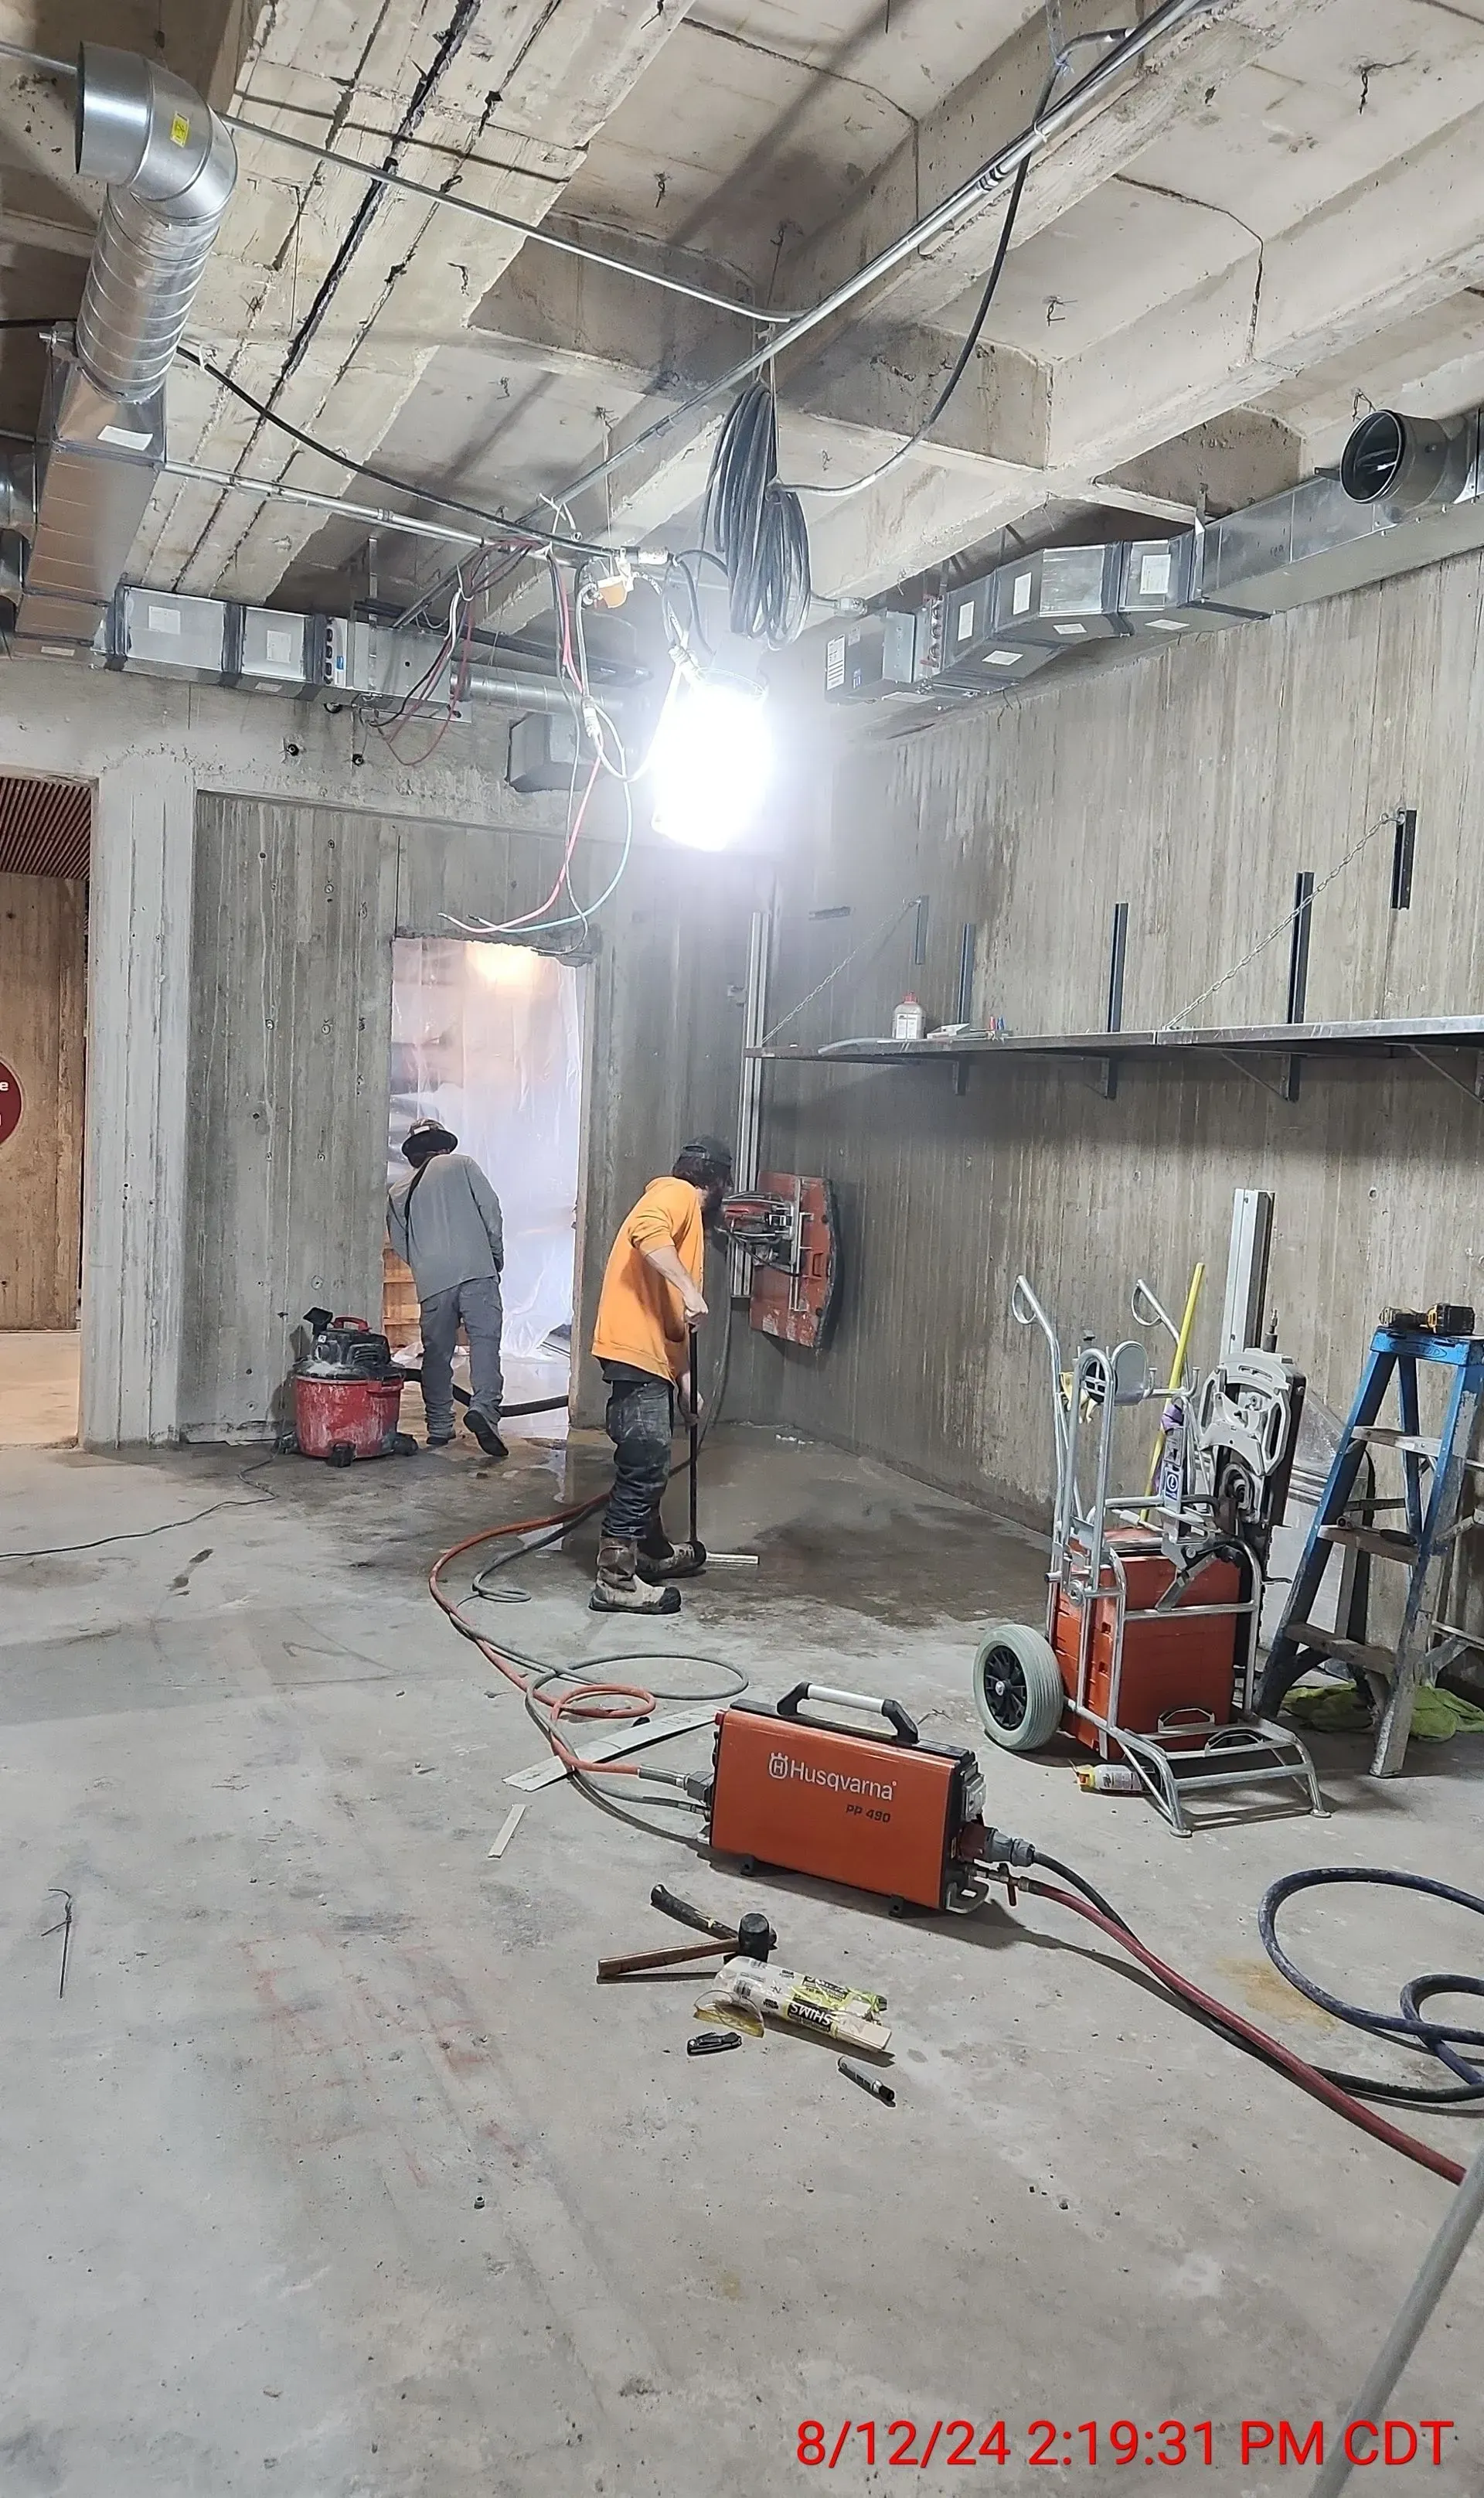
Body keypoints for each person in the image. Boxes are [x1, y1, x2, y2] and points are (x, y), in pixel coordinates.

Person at [589, 1135, 733, 1615]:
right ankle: (615, 1580)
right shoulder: (676, 1194)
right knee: (646, 1462)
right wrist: (691, 1289)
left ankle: (652, 1554)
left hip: (650, 1356)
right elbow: (646, 1230)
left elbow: (671, 1320)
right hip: (635, 1353)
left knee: (648, 1459)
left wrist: (687, 1386)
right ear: (716, 1183)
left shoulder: (683, 1223)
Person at [386, 1119, 508, 1459]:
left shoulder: (398, 1191)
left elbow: (401, 1243)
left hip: (432, 1281)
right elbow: (491, 1212)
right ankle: (484, 1409)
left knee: (437, 1353)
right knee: (484, 1343)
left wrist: (426, 1265)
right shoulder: (462, 1164)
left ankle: (439, 1427)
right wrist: (494, 1255)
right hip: (476, 1269)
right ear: (443, 1145)